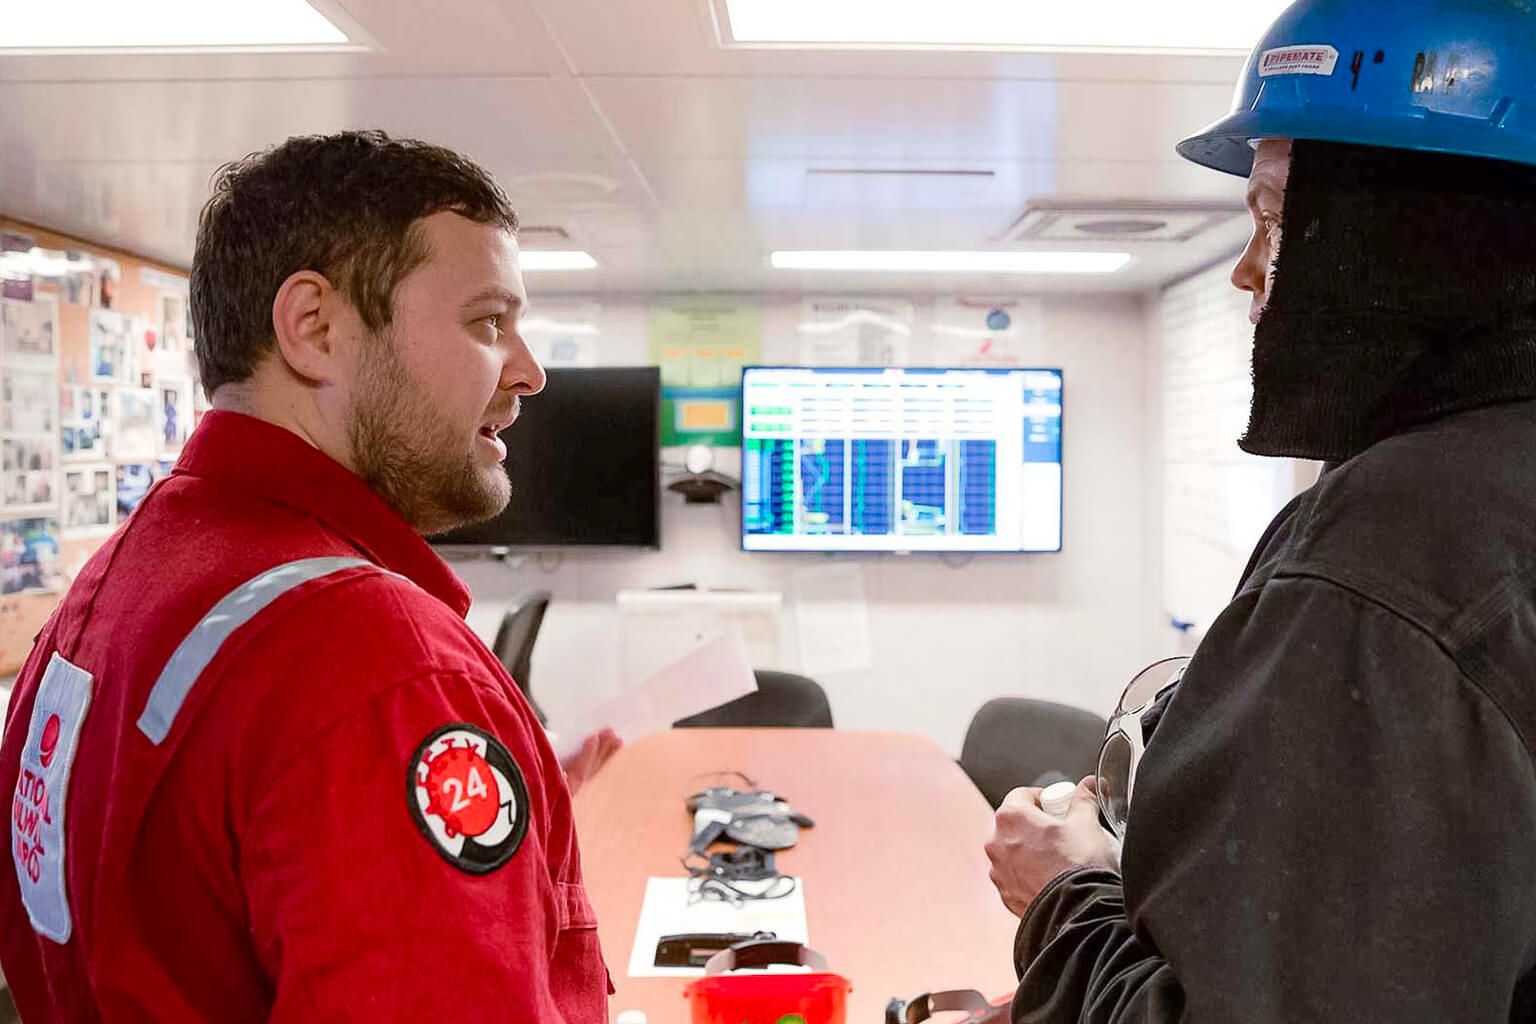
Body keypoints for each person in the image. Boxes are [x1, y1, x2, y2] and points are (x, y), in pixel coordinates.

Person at [985, 2, 1536, 1020]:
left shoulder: (1394, 548)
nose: (1246, 270)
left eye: (1277, 218)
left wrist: (1063, 898)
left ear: (1401, 234)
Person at [0, 130, 620, 1021]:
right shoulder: (376, 663)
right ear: (314, 328)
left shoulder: (114, 587)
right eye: (488, 321)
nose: (529, 372)